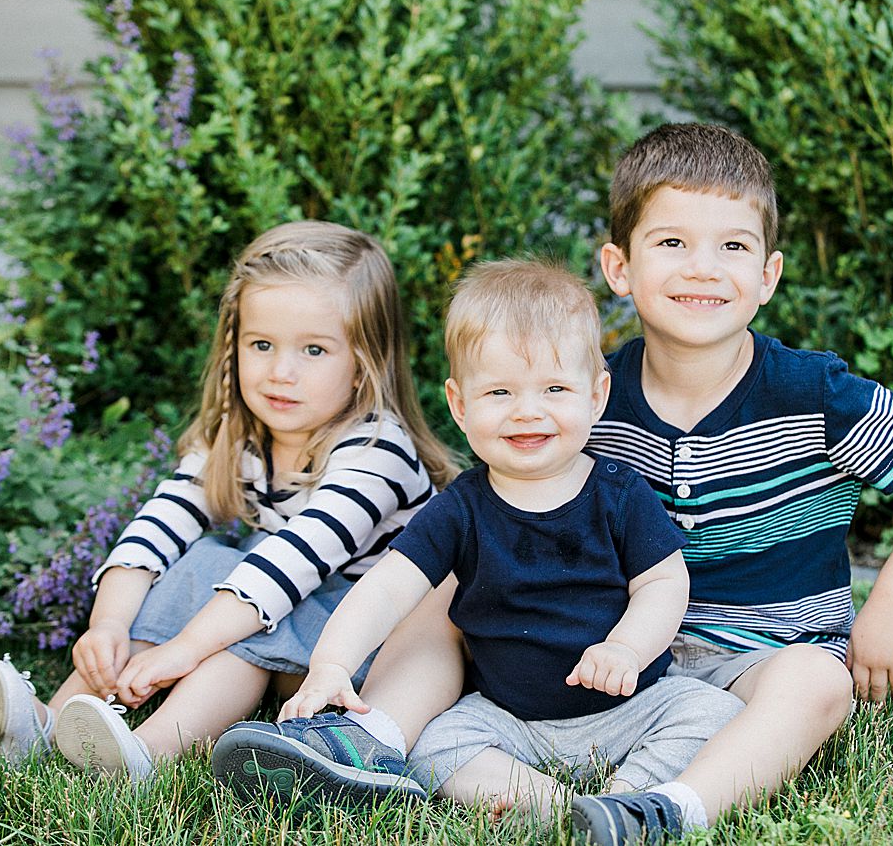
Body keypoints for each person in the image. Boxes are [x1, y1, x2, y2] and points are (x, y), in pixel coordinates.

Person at [212, 122, 893, 844]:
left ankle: (665, 808)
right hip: (596, 656)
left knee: (819, 683)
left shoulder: (811, 394)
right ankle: (371, 734)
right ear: (620, 266)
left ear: (768, 274)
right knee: (449, 576)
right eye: (672, 241)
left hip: (760, 657)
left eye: (733, 245)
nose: (704, 267)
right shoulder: (579, 399)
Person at [211, 260, 742, 821]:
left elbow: (663, 581)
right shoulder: (460, 509)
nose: (527, 411)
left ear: (596, 395)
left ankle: (627, 799)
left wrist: (627, 648)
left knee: (711, 712)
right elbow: (387, 589)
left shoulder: (619, 495)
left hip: (632, 705)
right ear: (460, 405)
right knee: (435, 743)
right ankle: (559, 808)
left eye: (555, 388)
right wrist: (333, 664)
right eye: (500, 392)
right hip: (506, 717)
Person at [0, 220, 459, 781]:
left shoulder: (378, 451)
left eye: (315, 350)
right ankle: (47, 722)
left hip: (361, 653)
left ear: (363, 364)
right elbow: (159, 525)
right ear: (234, 345)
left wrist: (186, 647)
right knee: (206, 561)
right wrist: (107, 625)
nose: (281, 372)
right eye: (262, 344)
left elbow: (294, 561)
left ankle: (146, 753)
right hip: (290, 612)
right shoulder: (237, 435)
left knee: (246, 625)